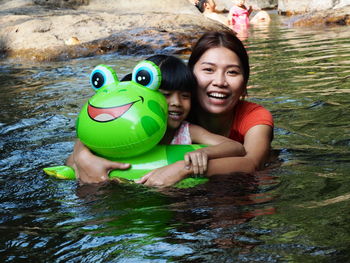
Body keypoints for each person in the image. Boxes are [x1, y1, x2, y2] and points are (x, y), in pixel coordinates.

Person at [70, 30, 274, 186]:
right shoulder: (175, 111)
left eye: (232, 72)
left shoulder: (251, 117)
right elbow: (99, 126)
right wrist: (82, 157)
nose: (219, 81)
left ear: (245, 82)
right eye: (208, 70)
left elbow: (250, 162)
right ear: (191, 74)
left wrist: (184, 168)